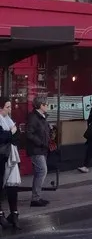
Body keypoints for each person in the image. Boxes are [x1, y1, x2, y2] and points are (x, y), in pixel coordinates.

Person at [25, 97, 50, 207]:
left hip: (42, 148)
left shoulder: (42, 117)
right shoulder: (34, 117)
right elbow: (29, 134)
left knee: (39, 172)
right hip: (36, 149)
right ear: (41, 105)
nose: (48, 106)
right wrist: (40, 142)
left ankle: (36, 197)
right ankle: (35, 198)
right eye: (46, 104)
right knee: (42, 171)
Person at [0, 96, 21, 230]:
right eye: (7, 107)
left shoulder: (8, 120)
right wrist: (11, 132)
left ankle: (14, 213)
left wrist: (11, 134)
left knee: (12, 185)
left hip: (10, 156)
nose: (10, 109)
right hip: (2, 156)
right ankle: (1, 214)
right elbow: (2, 137)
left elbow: (17, 136)